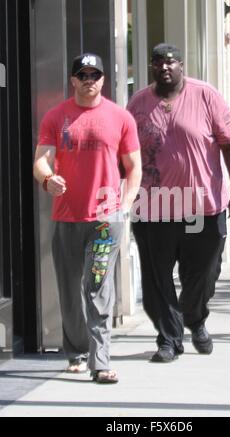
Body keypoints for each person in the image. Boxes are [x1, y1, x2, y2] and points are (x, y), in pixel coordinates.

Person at [127, 43, 230, 363]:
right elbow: (126, 152)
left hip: (203, 207)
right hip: (156, 206)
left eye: (170, 62)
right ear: (151, 68)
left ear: (182, 65)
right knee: (158, 276)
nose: (164, 67)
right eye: (157, 63)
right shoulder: (138, 103)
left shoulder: (206, 95)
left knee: (204, 272)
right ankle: (169, 339)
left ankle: (195, 318)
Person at [33, 53, 141, 383]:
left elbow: (133, 167)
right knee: (69, 289)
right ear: (73, 80)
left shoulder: (121, 117)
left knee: (97, 287)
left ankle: (101, 361)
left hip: (106, 221)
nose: (89, 80)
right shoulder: (57, 117)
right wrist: (49, 179)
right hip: (67, 218)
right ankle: (77, 352)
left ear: (104, 80)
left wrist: (124, 204)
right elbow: (41, 161)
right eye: (83, 74)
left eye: (95, 74)